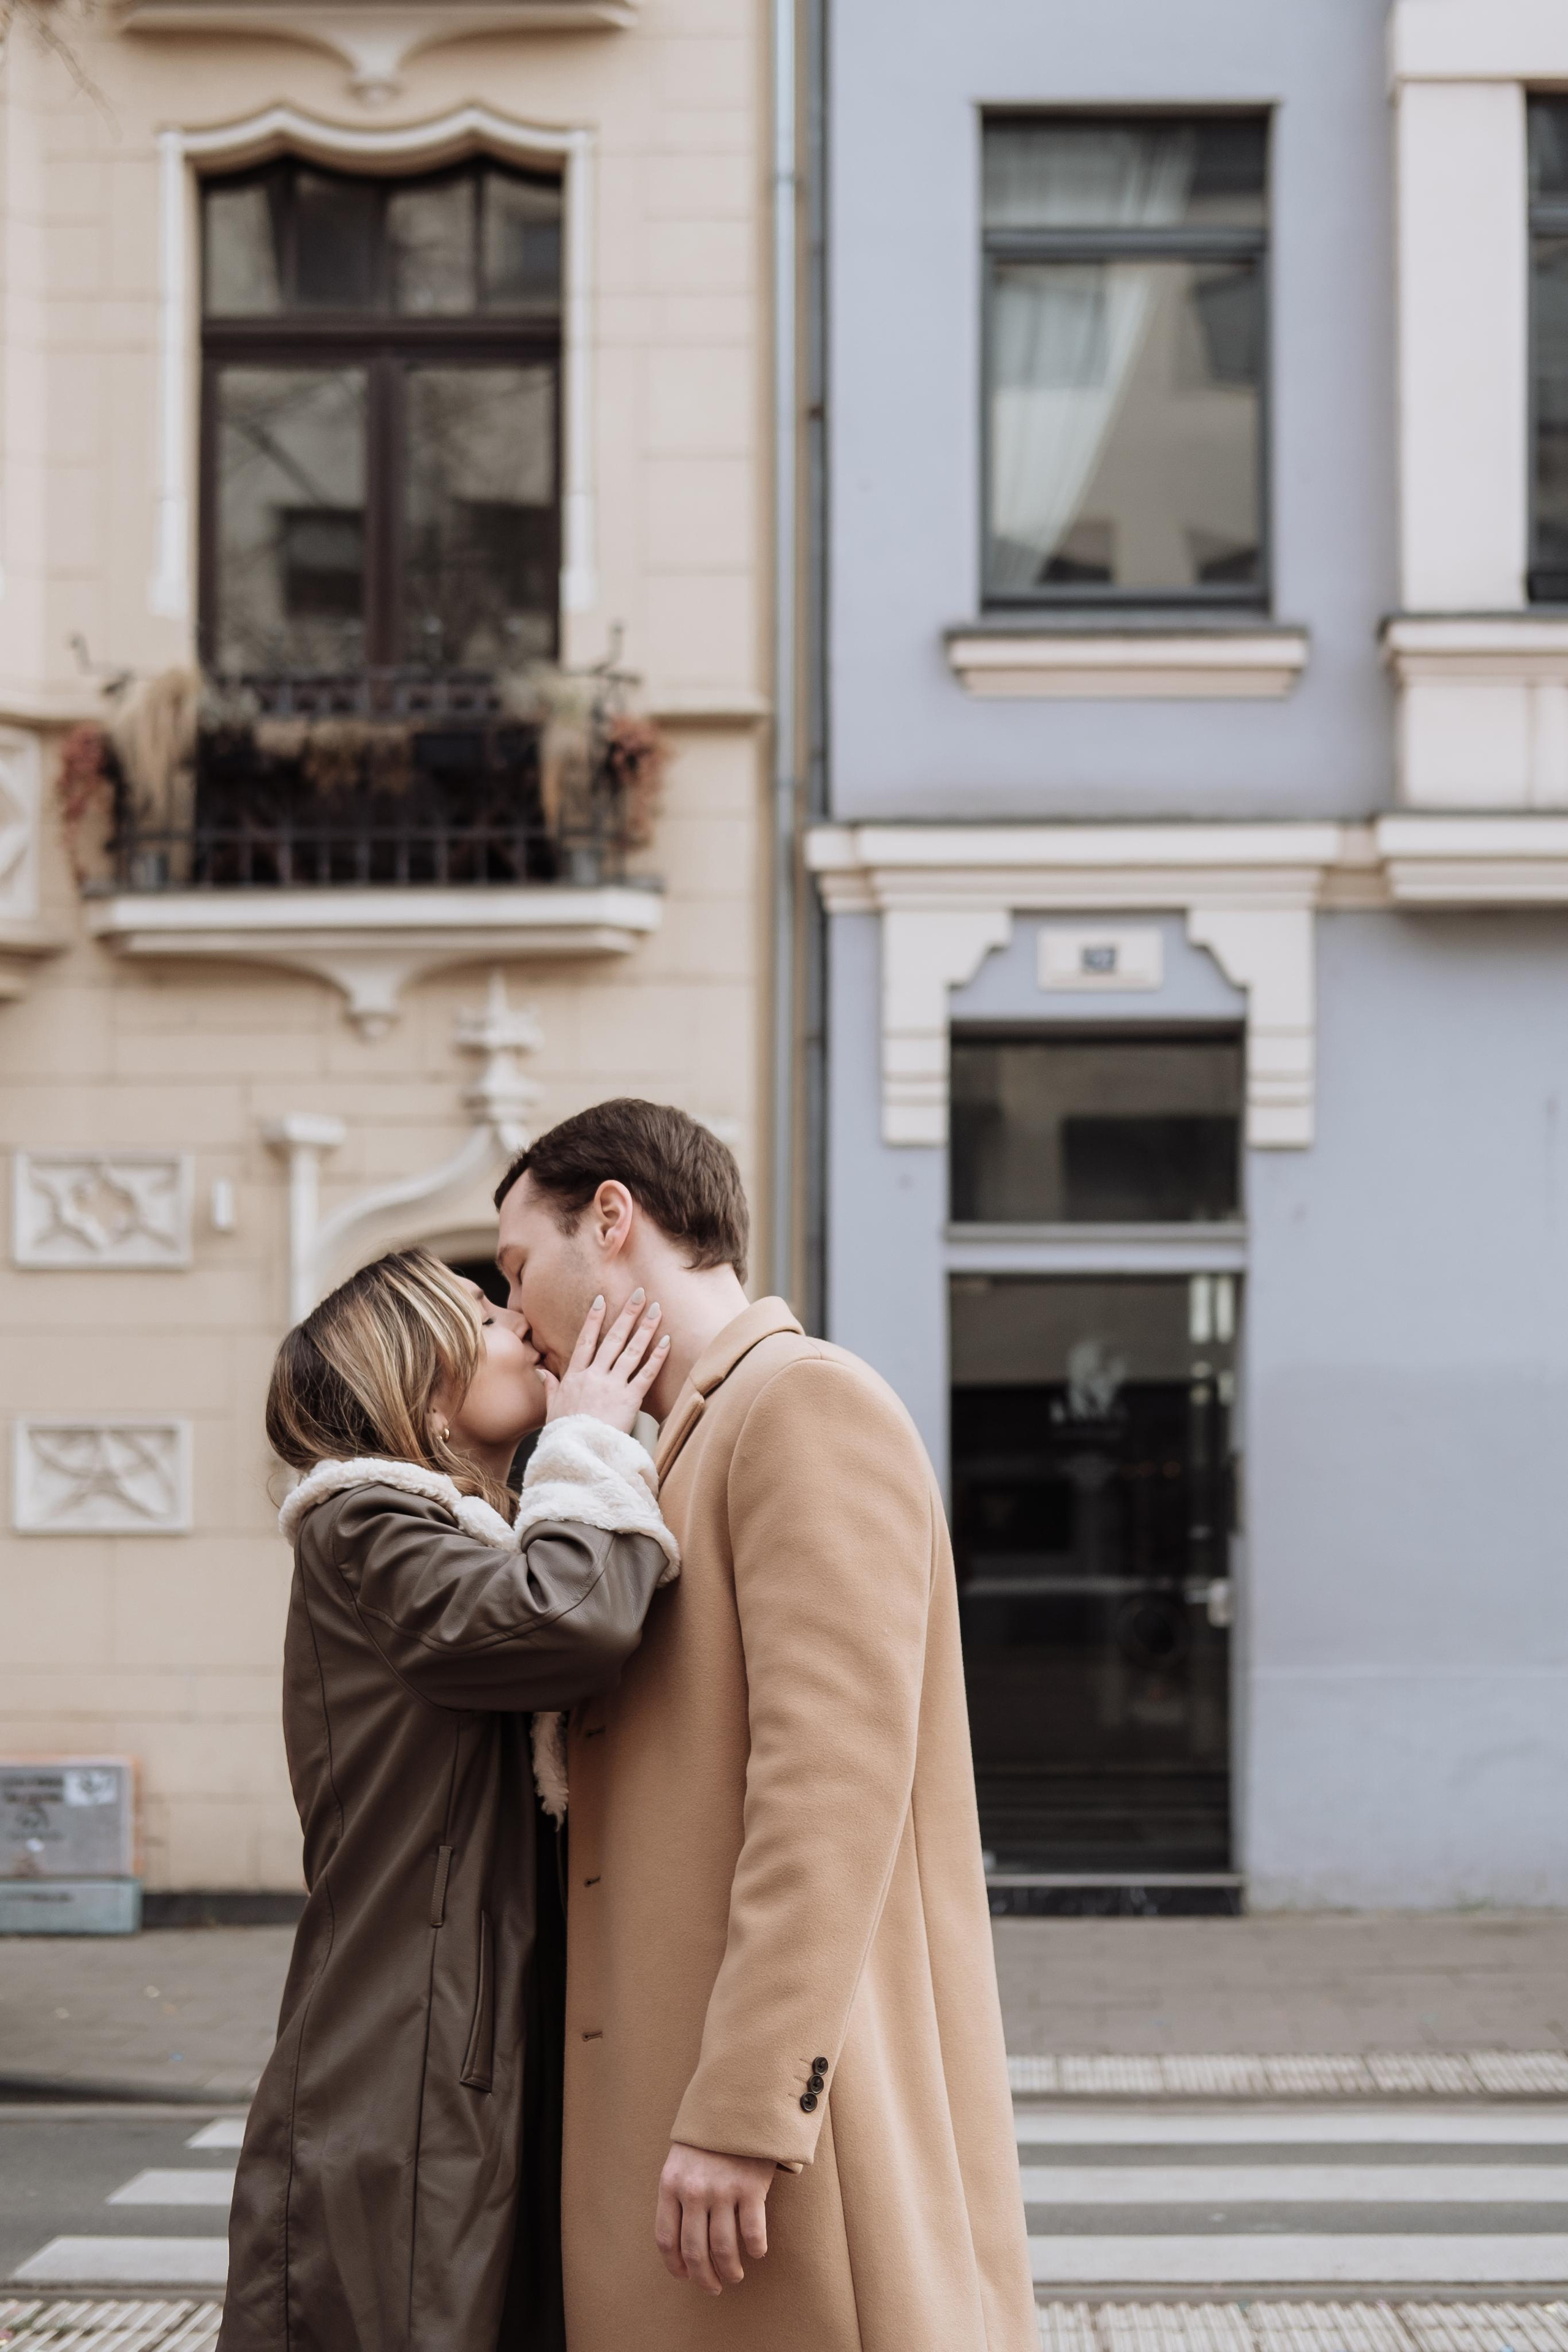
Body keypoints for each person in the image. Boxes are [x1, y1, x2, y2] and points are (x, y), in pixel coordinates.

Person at [496, 1102, 1038, 2352]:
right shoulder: (682, 1442)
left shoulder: (800, 1404)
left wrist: (746, 2108)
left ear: (614, 1220)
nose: (514, 1316)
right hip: (687, 2111)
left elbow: (829, 1790)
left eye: (521, 1269)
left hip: (783, 2135)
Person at [217, 1246, 677, 2352]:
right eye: (486, 1311)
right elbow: (567, 1619)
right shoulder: (363, 1527)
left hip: (457, 2050)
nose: (522, 1321)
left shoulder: (439, 1533)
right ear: (421, 1368)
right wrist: (593, 1442)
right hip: (409, 2072)